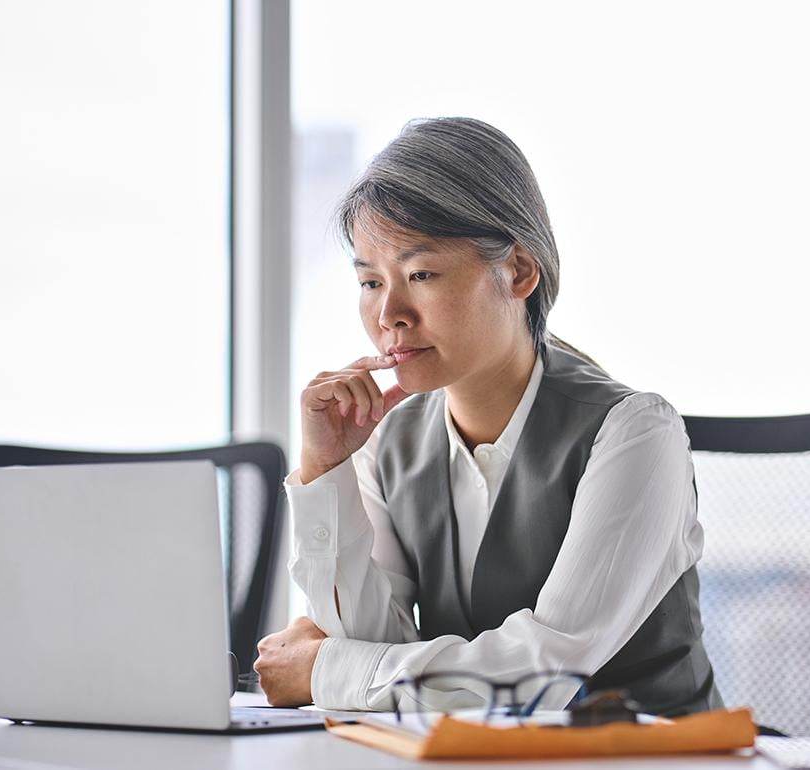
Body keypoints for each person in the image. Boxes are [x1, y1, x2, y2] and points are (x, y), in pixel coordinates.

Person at [252, 117, 721, 715]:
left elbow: (545, 673)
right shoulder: (388, 437)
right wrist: (326, 470)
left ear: (520, 271)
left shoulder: (634, 433)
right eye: (370, 281)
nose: (389, 312)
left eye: (421, 274)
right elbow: (372, 644)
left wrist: (325, 672)